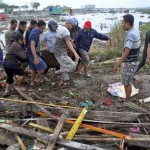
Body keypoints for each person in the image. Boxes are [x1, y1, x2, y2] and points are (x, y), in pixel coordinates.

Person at [112, 14, 141, 102]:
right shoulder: (135, 31)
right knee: (128, 81)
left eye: (123, 22)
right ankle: (127, 98)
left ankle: (127, 101)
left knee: (126, 82)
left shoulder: (130, 35)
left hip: (130, 63)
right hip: (134, 61)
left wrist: (117, 65)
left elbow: (126, 52)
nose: (122, 24)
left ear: (127, 23)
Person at [54, 18, 80, 86]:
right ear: (67, 23)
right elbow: (68, 43)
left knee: (64, 65)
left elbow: (67, 40)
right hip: (61, 53)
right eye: (71, 25)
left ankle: (66, 80)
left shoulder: (60, 28)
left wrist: (71, 41)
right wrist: (75, 53)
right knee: (72, 65)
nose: (72, 27)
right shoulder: (66, 31)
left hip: (57, 51)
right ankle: (58, 71)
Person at [3, 33, 27, 97]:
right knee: (21, 73)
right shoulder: (17, 45)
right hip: (12, 63)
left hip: (5, 63)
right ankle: (19, 87)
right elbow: (24, 57)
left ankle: (6, 90)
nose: (23, 41)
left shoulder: (13, 44)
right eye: (23, 40)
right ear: (19, 40)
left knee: (9, 76)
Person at [27, 20, 47, 85]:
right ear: (38, 26)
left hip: (31, 53)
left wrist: (38, 52)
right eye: (42, 28)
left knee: (33, 69)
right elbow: (32, 46)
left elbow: (35, 45)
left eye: (44, 28)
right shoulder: (35, 33)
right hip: (32, 54)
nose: (43, 30)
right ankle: (36, 78)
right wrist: (35, 57)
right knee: (43, 67)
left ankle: (32, 82)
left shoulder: (35, 31)